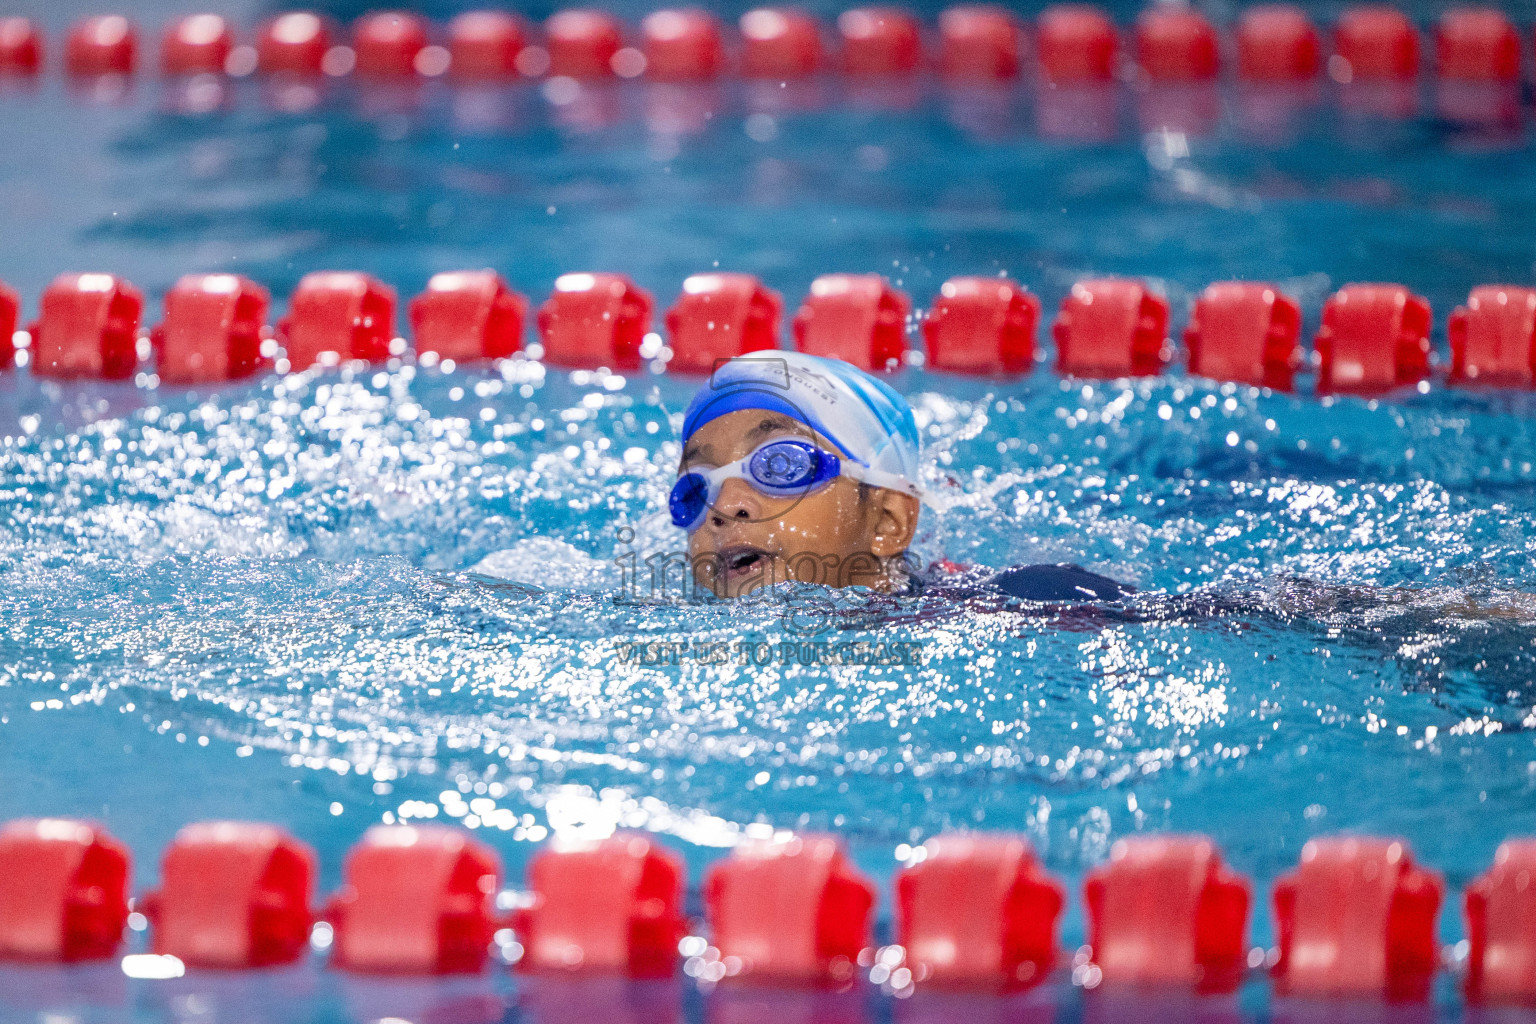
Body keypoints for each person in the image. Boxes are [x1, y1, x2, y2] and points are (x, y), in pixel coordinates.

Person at [671, 350, 1129, 602]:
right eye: (696, 486)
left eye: (780, 464)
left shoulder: (1024, 599)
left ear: (888, 521)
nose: (724, 505)